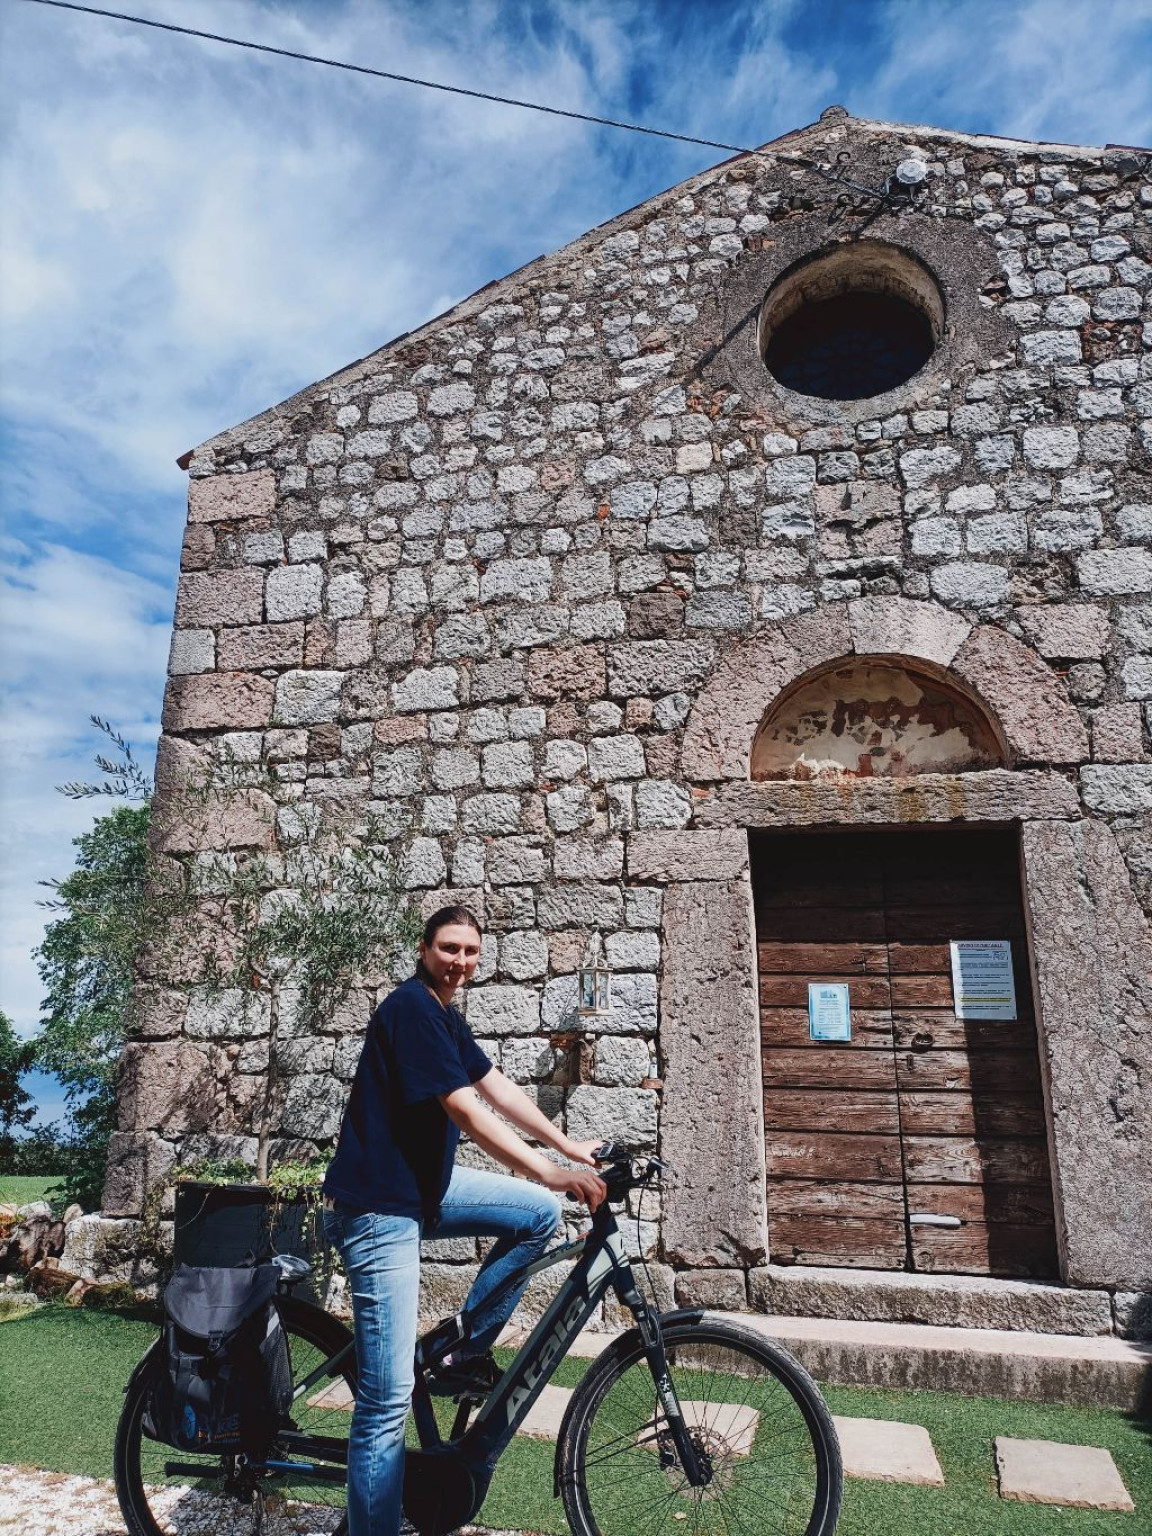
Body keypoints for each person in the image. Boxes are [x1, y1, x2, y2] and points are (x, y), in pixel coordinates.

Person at [322, 903, 607, 1536]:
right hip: (378, 1208)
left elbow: (495, 1086)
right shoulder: (412, 1009)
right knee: (386, 1399)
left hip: (423, 1190)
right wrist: (550, 1173)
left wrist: (567, 1147)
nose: (460, 963)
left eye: (471, 952)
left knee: (538, 1216)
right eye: (449, 949)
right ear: (425, 949)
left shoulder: (446, 1013)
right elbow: (466, 1111)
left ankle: (458, 1350)